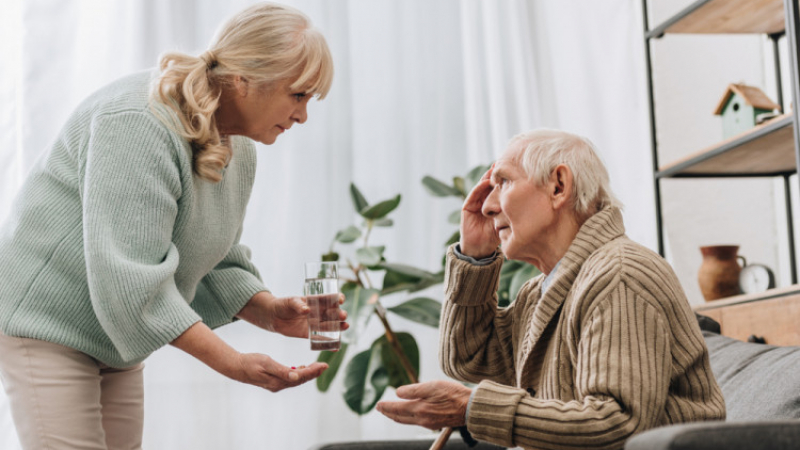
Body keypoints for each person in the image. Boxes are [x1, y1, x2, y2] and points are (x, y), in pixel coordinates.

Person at [0, 3, 347, 449]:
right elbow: (131, 281)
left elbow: (216, 253)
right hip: (47, 320)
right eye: (297, 95)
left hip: (114, 336)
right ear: (244, 79)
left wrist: (269, 311)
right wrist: (233, 362)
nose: (302, 116)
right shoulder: (139, 123)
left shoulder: (237, 146)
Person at [377, 129, 725, 449]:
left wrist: (471, 408)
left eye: (504, 182)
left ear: (559, 186)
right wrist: (476, 256)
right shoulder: (544, 290)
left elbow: (619, 424)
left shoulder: (620, 275)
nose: (487, 205)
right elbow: (467, 357)